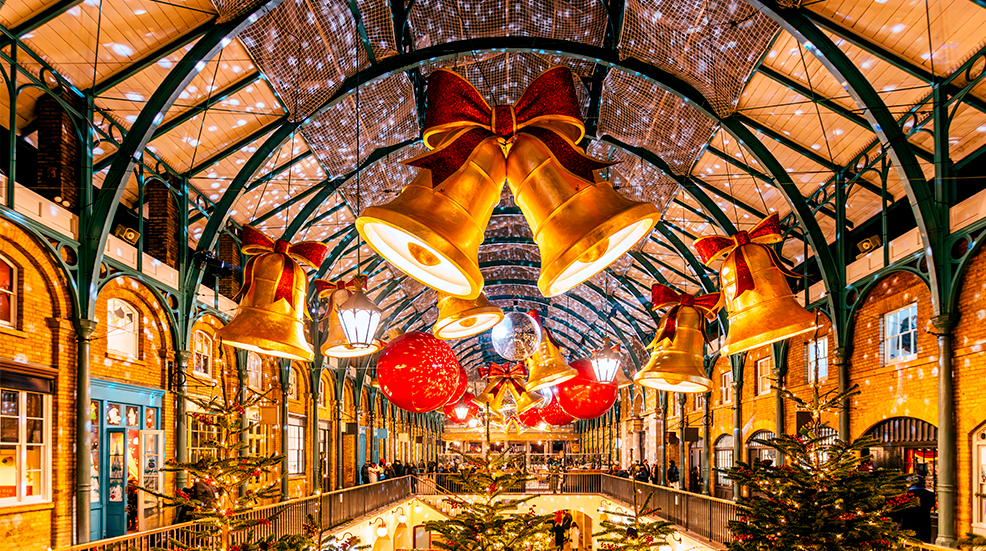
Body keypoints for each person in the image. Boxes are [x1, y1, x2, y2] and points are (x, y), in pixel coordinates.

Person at [899, 476, 936, 542]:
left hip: (907, 525)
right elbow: (932, 504)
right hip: (924, 526)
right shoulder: (930, 495)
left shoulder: (905, 495)